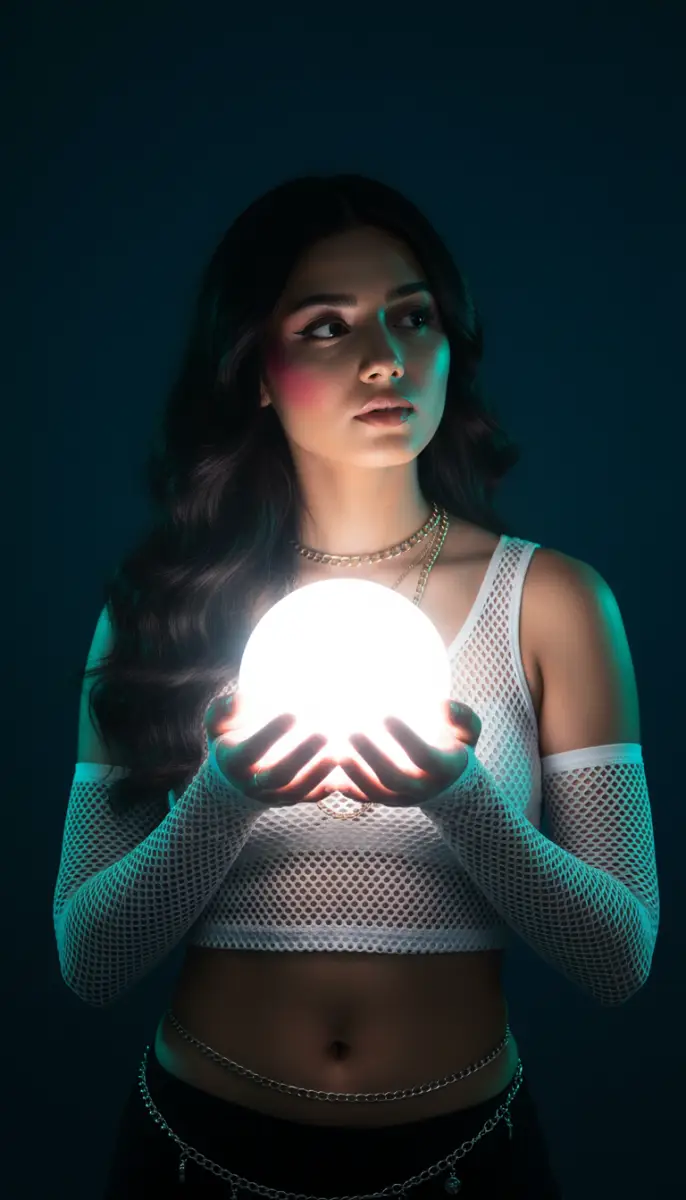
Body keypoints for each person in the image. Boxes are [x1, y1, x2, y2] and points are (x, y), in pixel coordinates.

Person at [52, 173, 660, 1199]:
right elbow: (89, 961)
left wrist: (461, 800)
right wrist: (223, 799)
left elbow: (619, 959)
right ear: (255, 366)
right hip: (194, 1159)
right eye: (326, 326)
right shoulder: (160, 611)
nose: (385, 356)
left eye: (411, 316)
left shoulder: (551, 603)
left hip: (466, 1162)